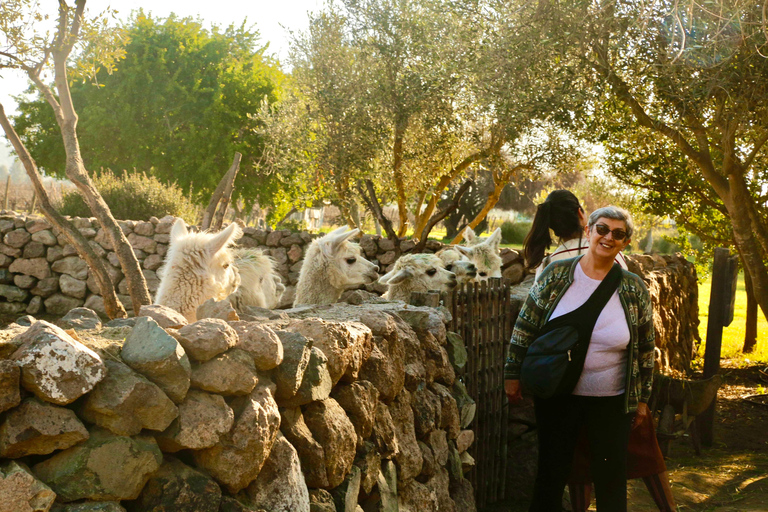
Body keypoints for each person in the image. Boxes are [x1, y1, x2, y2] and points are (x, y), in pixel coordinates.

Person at [522, 191, 675, 511]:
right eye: (603, 230)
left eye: (617, 234)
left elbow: (534, 325)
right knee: (620, 468)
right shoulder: (617, 259)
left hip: (564, 383)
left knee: (563, 466)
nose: (608, 237)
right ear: (584, 218)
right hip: (610, 386)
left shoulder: (548, 264)